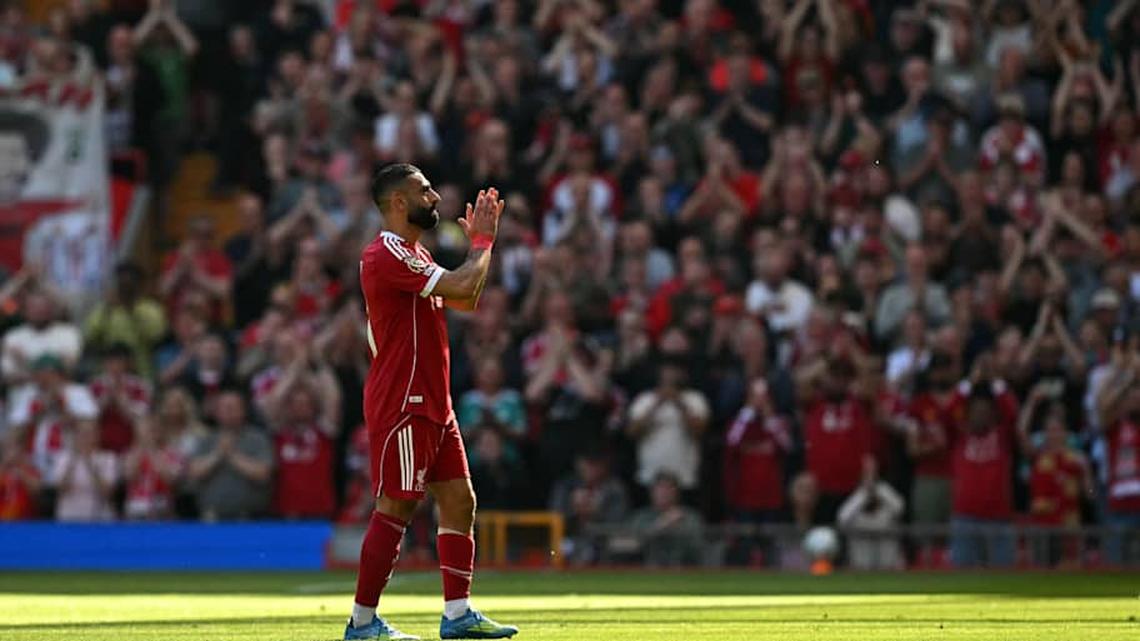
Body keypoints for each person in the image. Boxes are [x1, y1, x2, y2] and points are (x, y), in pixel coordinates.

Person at [346, 164, 517, 640]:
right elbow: (466, 286)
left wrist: (477, 252)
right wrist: (481, 244)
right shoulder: (386, 253)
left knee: (460, 501)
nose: (436, 196)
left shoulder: (413, 255)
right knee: (397, 506)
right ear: (399, 202)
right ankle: (361, 622)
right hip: (404, 399)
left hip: (434, 400)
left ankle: (458, 614)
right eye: (424, 190)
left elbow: (466, 298)